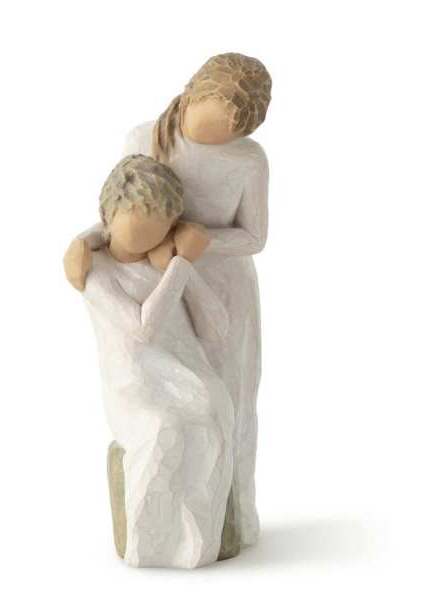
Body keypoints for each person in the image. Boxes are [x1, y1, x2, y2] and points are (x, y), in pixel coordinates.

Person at [65, 53, 271, 547]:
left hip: (221, 284)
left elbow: (255, 236)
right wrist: (86, 244)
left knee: (231, 400)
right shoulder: (146, 138)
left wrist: (197, 242)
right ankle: (165, 529)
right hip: (150, 280)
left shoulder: (249, 161)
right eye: (204, 124)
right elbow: (123, 206)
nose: (209, 139)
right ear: (192, 92)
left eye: (224, 133)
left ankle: (228, 522)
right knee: (174, 398)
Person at [82, 154, 234, 568]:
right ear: (108, 217)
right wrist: (180, 265)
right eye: (134, 231)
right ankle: (149, 546)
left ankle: (198, 541)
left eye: (154, 231)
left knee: (212, 418)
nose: (141, 245)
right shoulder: (96, 271)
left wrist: (183, 269)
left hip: (186, 375)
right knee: (164, 430)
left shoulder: (163, 263)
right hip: (134, 385)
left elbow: (217, 328)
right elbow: (143, 327)